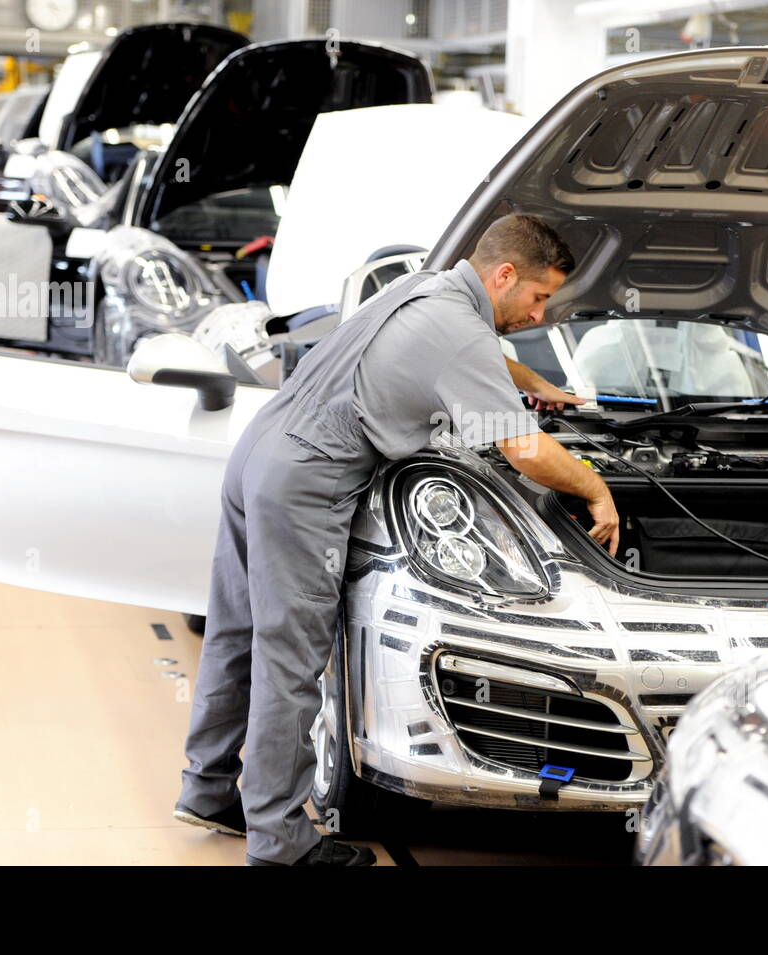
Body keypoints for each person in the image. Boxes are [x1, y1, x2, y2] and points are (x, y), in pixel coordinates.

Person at [174, 213, 621, 866]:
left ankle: (208, 786)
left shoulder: (427, 289)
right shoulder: (460, 332)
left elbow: (469, 358)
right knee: (291, 663)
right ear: (503, 275)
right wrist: (594, 487)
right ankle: (279, 842)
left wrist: (534, 385)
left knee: (237, 631)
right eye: (539, 295)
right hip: (307, 478)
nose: (540, 311)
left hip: (257, 454)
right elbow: (524, 449)